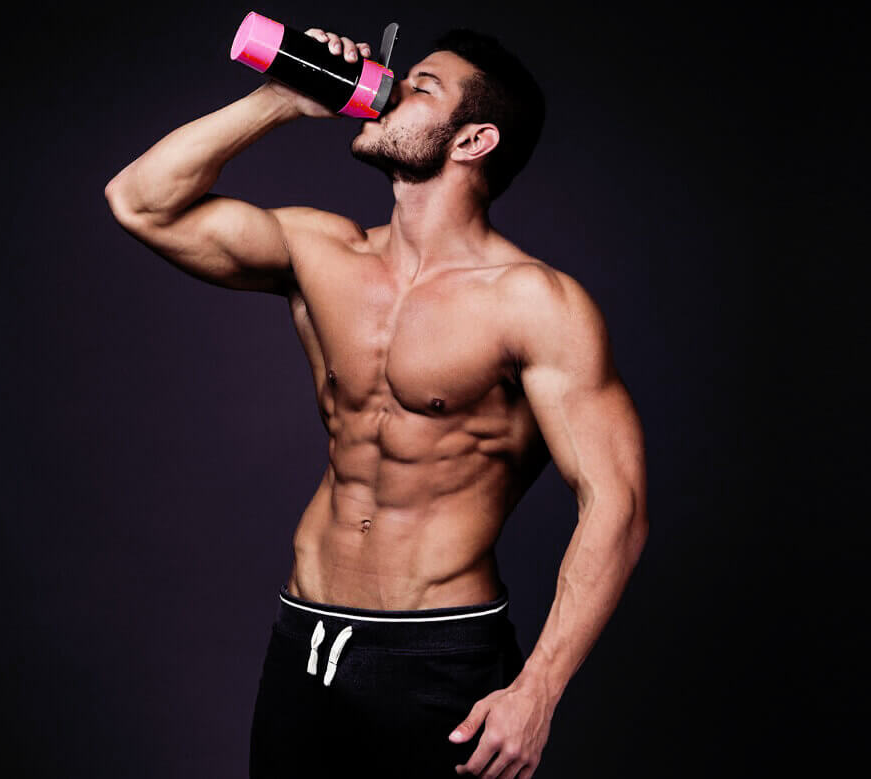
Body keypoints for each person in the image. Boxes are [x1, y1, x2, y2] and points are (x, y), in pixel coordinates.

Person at [104, 25, 648, 779]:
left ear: (473, 140)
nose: (387, 92)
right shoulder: (322, 251)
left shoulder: (535, 303)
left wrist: (539, 689)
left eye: (420, 87)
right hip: (304, 641)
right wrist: (281, 98)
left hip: (439, 657)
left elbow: (617, 503)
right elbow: (140, 201)